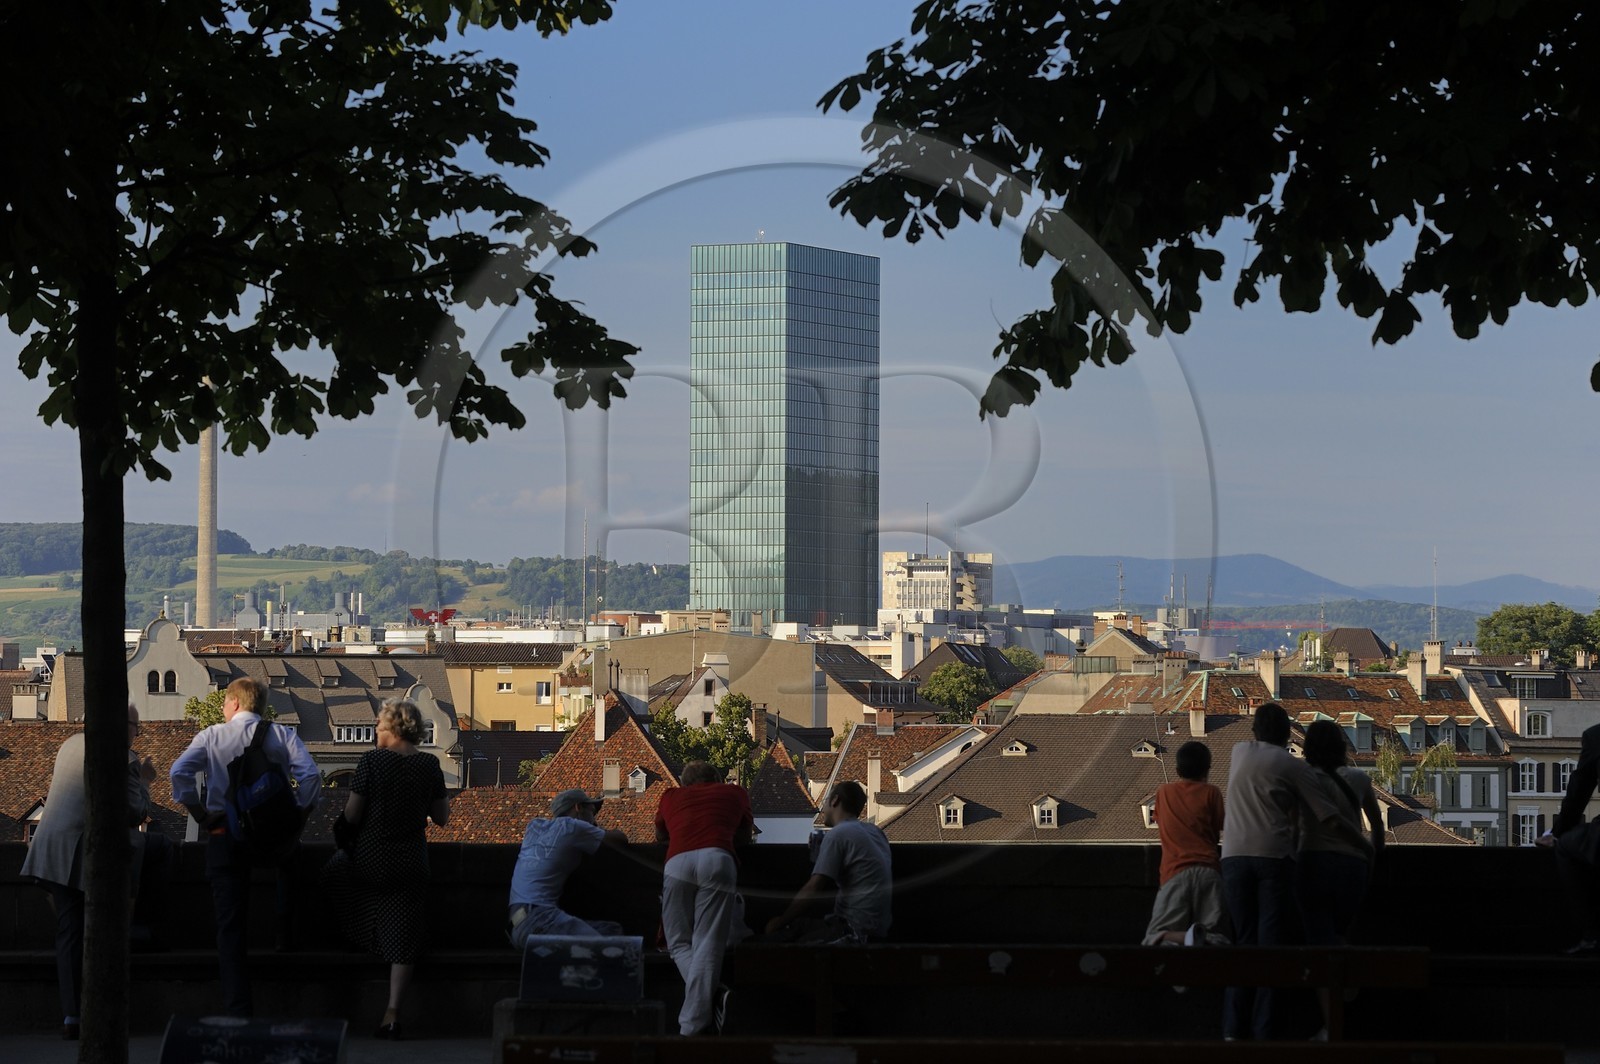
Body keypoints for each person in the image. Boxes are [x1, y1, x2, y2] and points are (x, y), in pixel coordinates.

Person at [170, 676, 321, 1018]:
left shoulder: (212, 736)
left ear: (235, 702)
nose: (224, 708)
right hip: (271, 836)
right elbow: (311, 777)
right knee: (291, 858)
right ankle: (283, 930)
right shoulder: (281, 735)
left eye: (225, 702)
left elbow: (179, 772)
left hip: (225, 832)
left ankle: (238, 1008)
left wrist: (199, 814)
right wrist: (298, 816)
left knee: (230, 927)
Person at [1220, 702, 1356, 1041]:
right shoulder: (1291, 765)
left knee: (1243, 945)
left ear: (1255, 731)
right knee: (1271, 950)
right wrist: (1364, 845)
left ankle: (1232, 1031)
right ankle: (1263, 1031)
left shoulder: (1238, 752)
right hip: (1273, 856)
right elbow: (1327, 815)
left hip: (1233, 856)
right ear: (1286, 734)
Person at [21, 704, 156, 1040]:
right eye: (136, 727)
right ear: (123, 725)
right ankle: (102, 1012)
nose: (137, 734)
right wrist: (145, 781)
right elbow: (133, 813)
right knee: (103, 932)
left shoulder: (70, 743)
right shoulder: (124, 758)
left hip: (51, 847)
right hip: (86, 854)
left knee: (69, 932)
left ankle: (72, 1016)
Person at [321, 699, 450, 1040]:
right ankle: (392, 1014)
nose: (375, 733)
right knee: (405, 937)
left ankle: (362, 937)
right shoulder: (429, 764)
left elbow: (351, 815)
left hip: (371, 857)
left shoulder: (372, 761)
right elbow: (441, 817)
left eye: (378, 727)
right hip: (411, 861)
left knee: (333, 875)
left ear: (393, 728)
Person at [1295, 719, 1381, 1039]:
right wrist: (1372, 859)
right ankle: (1349, 976)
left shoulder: (1304, 778)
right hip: (1352, 866)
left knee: (1320, 945)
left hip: (1313, 862)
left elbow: (1291, 824)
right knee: (1340, 932)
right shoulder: (1358, 778)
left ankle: (1332, 1027)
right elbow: (1377, 826)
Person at [655, 760, 754, 1036]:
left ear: (685, 783)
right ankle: (696, 1019)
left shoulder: (670, 796)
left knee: (676, 942)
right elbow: (745, 836)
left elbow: (660, 834)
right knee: (708, 941)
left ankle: (697, 1018)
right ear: (717, 779)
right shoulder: (735, 793)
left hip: (677, 862)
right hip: (718, 858)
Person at [764, 780, 892, 943]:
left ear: (835, 800)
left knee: (780, 940)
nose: (822, 808)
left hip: (853, 930)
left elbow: (813, 888)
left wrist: (780, 921)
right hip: (877, 928)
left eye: (825, 801)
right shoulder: (875, 832)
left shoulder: (838, 834)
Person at [508, 788, 628, 946]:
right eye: (592, 811)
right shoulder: (573, 827)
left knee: (611, 930)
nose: (593, 819)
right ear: (578, 807)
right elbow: (620, 838)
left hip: (517, 925)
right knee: (610, 948)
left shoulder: (534, 826)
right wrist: (595, 828)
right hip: (541, 918)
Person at [1142, 740, 1231, 947]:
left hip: (1175, 873)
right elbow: (1219, 826)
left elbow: (1160, 819)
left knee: (1154, 938)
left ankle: (1184, 938)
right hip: (1209, 871)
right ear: (1207, 770)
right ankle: (1199, 938)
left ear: (1177, 770)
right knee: (1218, 939)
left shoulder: (1164, 792)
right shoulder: (1212, 793)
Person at [1540, 720, 1600, 952]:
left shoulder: (1596, 736)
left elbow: (1579, 792)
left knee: (1567, 846)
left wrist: (1558, 834)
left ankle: (1591, 935)